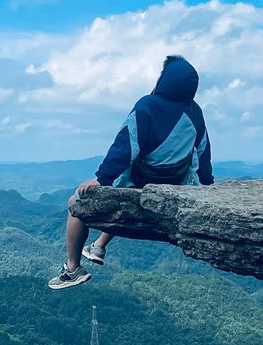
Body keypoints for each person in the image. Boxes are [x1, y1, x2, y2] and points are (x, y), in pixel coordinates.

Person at [48, 55, 213, 290]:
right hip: (177, 182)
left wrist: (101, 179)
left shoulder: (148, 105)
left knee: (76, 202)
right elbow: (203, 151)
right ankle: (98, 246)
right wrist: (208, 185)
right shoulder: (195, 111)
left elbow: (126, 146)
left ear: (164, 79)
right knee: (123, 196)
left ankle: (72, 269)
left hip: (142, 180)